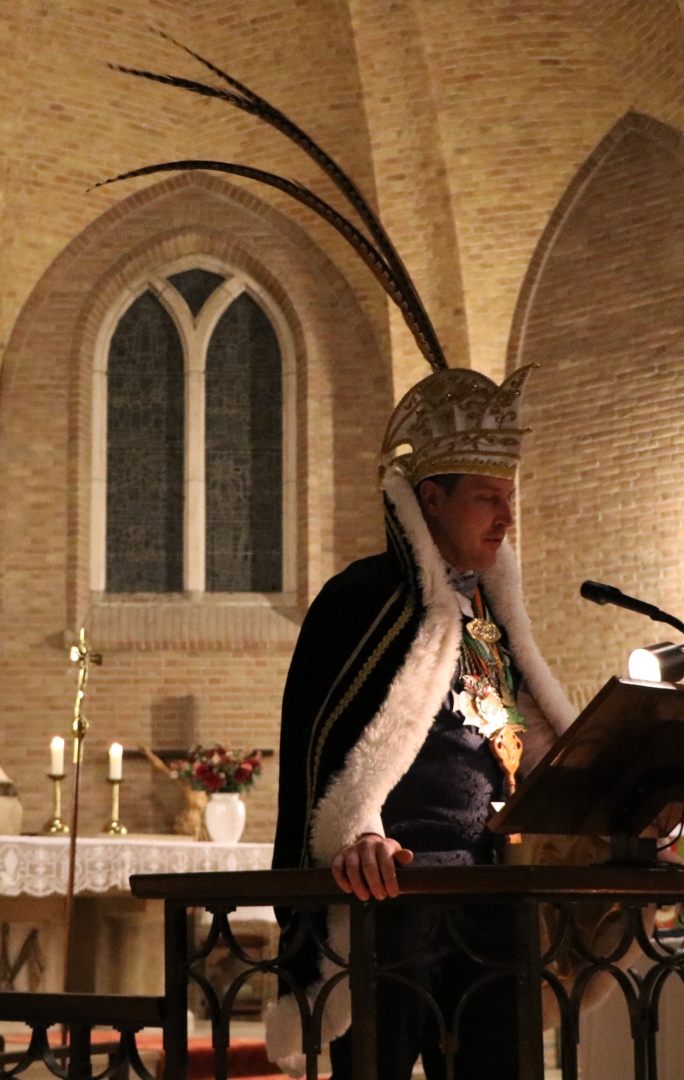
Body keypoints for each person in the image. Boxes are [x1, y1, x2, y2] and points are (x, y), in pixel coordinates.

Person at [269, 365, 579, 1080]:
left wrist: (619, 800)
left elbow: (522, 738)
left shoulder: (488, 618)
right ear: (430, 499)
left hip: (491, 896)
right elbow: (326, 755)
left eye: (509, 498)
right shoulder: (360, 599)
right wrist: (358, 831)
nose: (507, 518)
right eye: (487, 498)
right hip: (391, 900)